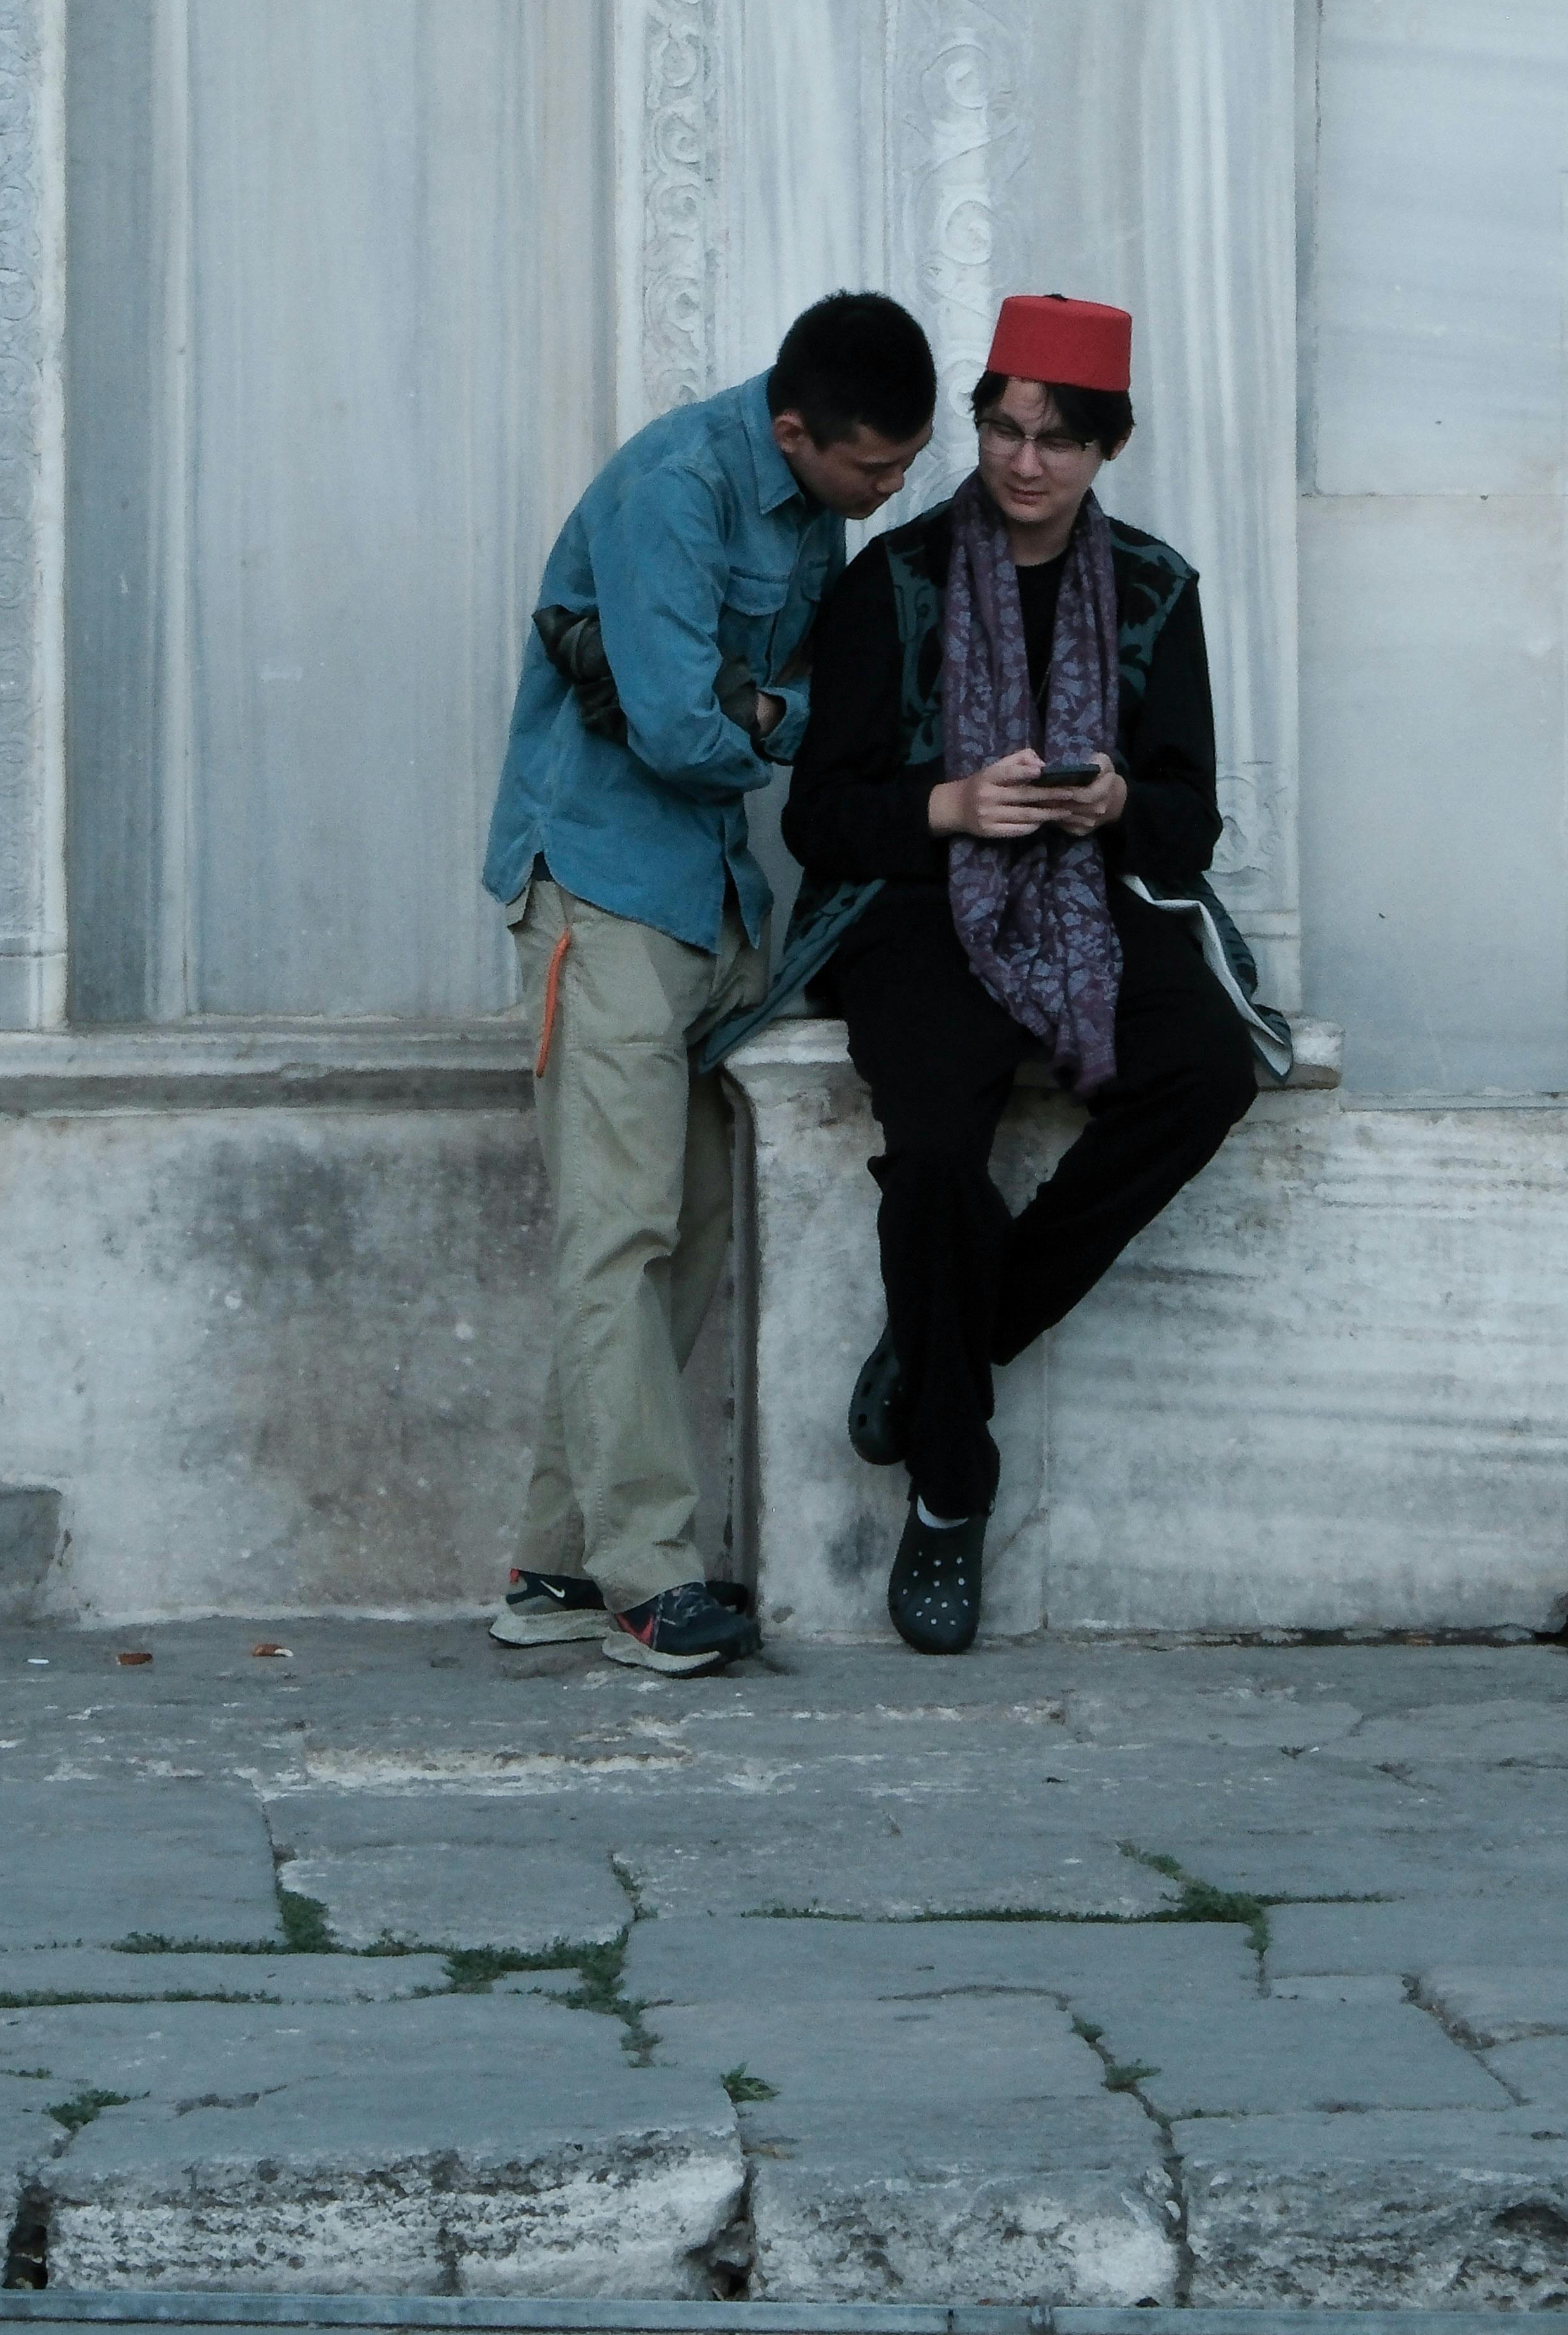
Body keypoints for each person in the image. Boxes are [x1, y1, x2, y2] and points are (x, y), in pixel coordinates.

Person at [777, 291, 1288, 1656]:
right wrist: (951, 808)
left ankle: (943, 1348)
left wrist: (1114, 798)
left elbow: (1190, 823)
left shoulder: (1158, 591)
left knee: (1206, 1072)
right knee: (939, 1142)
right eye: (1004, 428)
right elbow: (817, 819)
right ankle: (954, 1488)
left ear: (1108, 448)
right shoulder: (889, 583)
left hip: (1094, 899)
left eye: (1058, 440)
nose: (1021, 463)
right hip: (914, 912)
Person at [483, 291, 939, 1674]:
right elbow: (686, 727)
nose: (885, 496)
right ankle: (646, 1583)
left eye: (901, 471)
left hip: (706, 905)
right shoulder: (674, 490)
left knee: (675, 1242)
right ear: (795, 430)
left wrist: (756, 705)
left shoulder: (808, 507)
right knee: (616, 1237)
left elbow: (739, 706)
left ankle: (556, 1569)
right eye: (871, 470)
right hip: (606, 894)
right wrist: (770, 711)